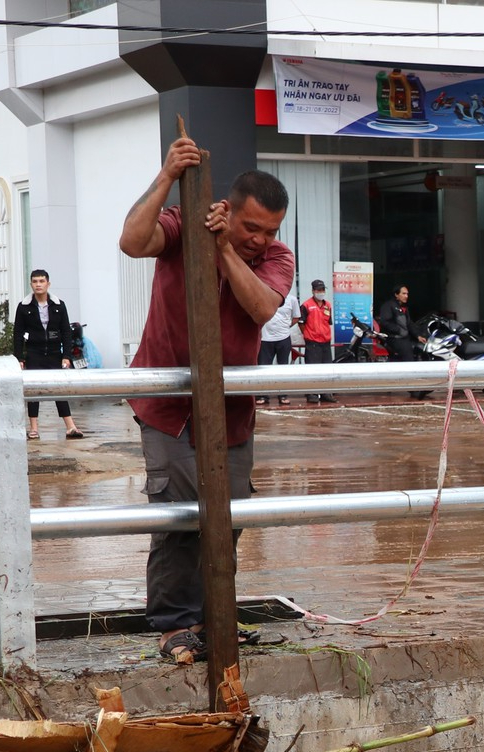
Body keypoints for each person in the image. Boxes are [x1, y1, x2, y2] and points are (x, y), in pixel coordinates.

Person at [118, 135, 294, 665]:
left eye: (270, 231)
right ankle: (175, 625)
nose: (262, 240)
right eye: (251, 228)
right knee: (179, 515)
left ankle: (215, 615)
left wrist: (223, 251)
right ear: (226, 211)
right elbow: (131, 240)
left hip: (233, 412)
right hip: (167, 405)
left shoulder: (275, 257)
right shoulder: (182, 226)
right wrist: (169, 174)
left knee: (229, 514)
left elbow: (262, 308)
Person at [14, 268, 85, 433]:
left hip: (54, 352)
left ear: (48, 283)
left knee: (58, 388)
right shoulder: (24, 307)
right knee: (33, 390)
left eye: (41, 281)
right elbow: (17, 333)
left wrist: (66, 355)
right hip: (34, 352)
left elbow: (66, 332)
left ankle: (70, 426)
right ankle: (34, 428)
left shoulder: (59, 305)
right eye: (35, 281)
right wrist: (19, 358)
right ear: (31, 284)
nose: (38, 285)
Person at [255, 280, 299, 406]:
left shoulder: (292, 300)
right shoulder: (263, 297)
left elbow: (296, 317)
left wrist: (286, 326)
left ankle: (283, 395)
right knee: (263, 368)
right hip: (265, 339)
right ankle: (263, 395)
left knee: (283, 368)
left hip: (284, 338)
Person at [298, 279, 337, 402]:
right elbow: (301, 323)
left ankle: (326, 393)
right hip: (312, 342)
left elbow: (328, 322)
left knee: (327, 369)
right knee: (312, 369)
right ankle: (312, 394)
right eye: (318, 290)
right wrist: (309, 334)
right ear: (313, 291)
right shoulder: (306, 305)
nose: (321, 292)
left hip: (325, 342)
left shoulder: (328, 305)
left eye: (323, 290)